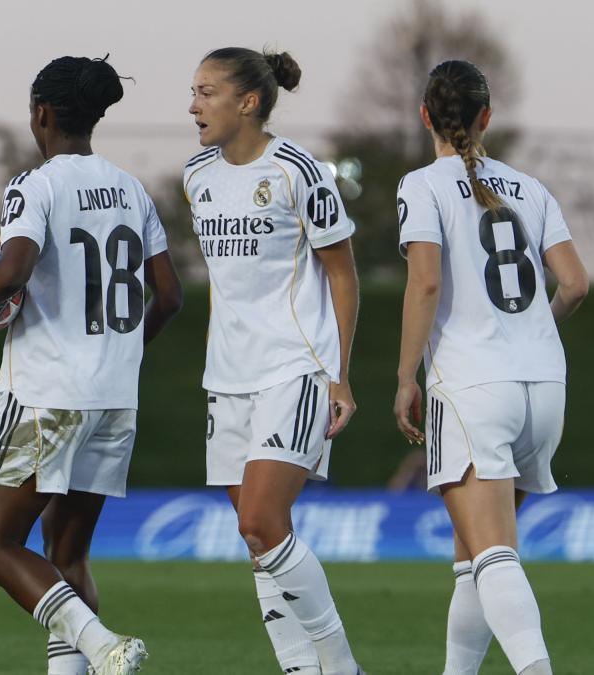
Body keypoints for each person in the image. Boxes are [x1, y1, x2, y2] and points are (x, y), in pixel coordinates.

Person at [0, 55, 183, 675]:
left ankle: (104, 647)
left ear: (41, 113)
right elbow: (170, 296)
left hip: (47, 393)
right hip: (114, 397)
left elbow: (12, 269)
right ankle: (95, 653)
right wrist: (121, 353)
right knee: (66, 557)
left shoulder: (34, 186)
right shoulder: (131, 189)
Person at [393, 60, 588, 675]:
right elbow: (576, 284)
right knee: (473, 558)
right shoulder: (531, 188)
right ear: (487, 117)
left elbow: (425, 283)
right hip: (545, 386)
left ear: (425, 116)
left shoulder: (422, 185)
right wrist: (531, 330)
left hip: (473, 386)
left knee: (493, 554)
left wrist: (404, 377)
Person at [184, 48, 362, 675]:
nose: (193, 106)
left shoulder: (298, 171)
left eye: (207, 92)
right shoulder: (196, 176)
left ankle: (341, 666)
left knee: (262, 520)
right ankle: (300, 668)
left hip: (294, 368)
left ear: (249, 102)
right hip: (227, 378)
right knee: (257, 538)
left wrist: (340, 375)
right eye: (193, 92)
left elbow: (343, 275)